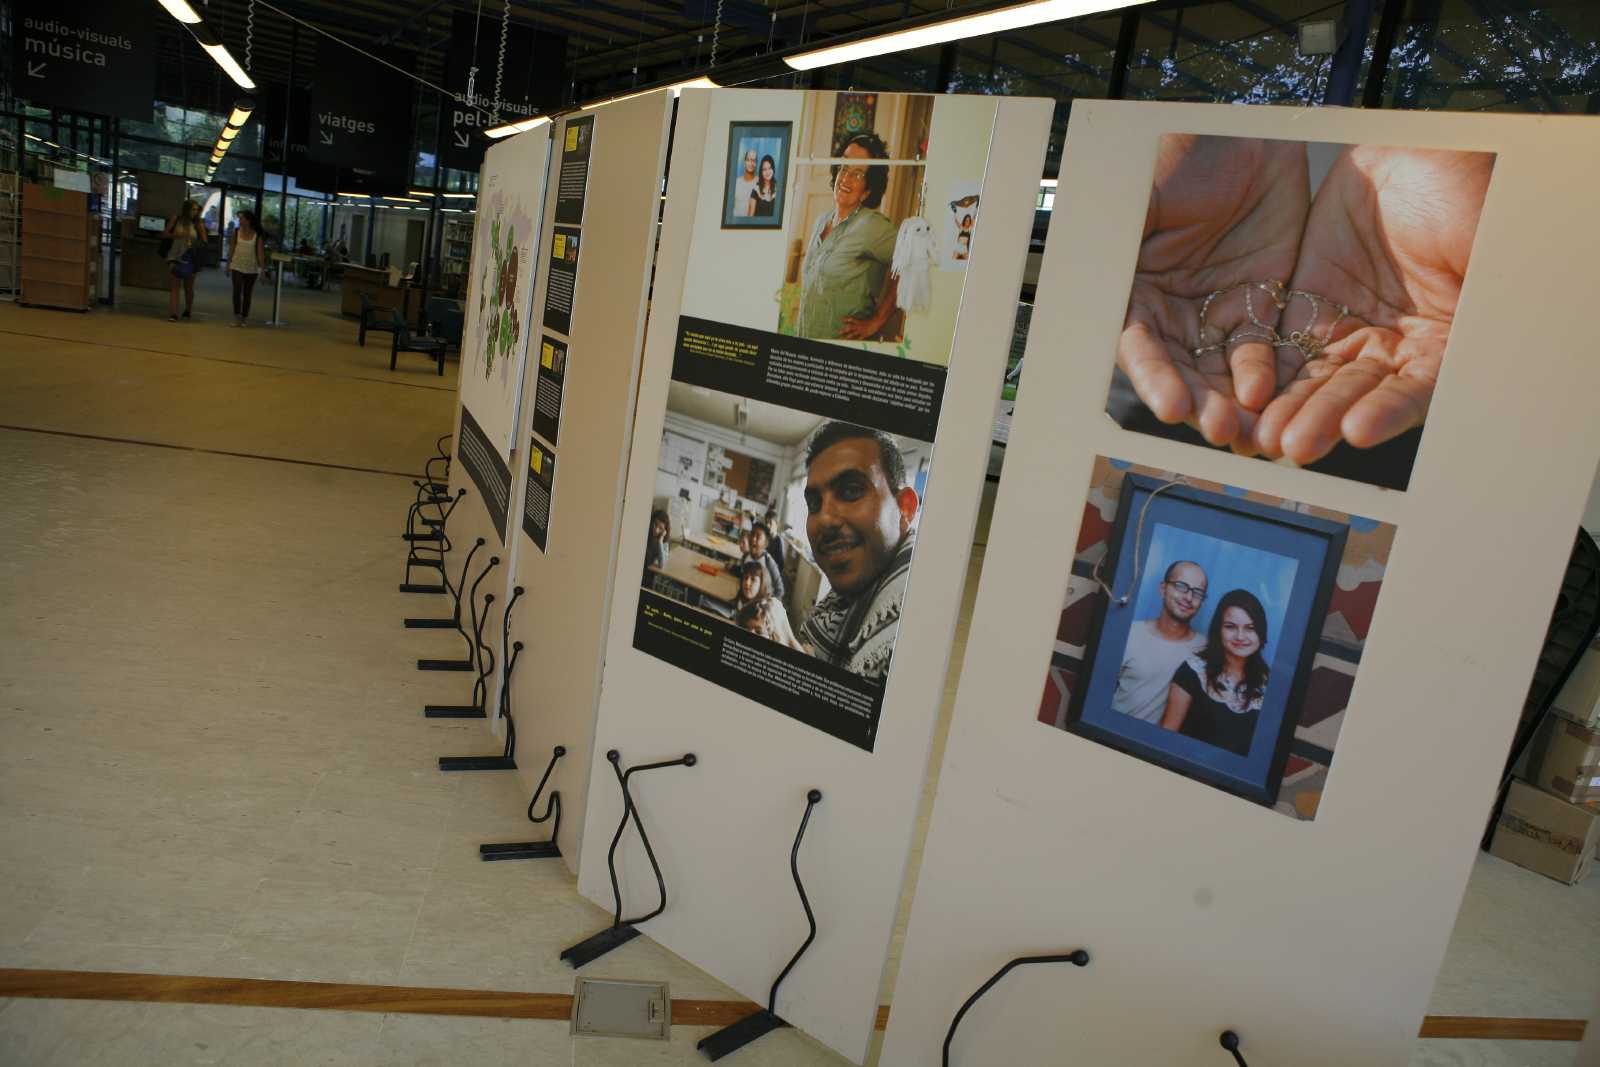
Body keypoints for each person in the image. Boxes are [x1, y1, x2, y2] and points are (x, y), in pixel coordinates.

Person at [799, 422, 918, 681]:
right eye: (814, 503)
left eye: (851, 490)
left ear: (905, 508)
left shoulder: (911, 642)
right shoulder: (845, 607)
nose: (824, 519)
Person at [796, 132, 900, 342]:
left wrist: (877, 321)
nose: (846, 178)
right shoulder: (821, 221)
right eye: (844, 167)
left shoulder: (872, 226)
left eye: (858, 173)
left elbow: (911, 260)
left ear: (868, 190)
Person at [1161, 589, 1271, 757]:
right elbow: (1164, 739)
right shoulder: (1192, 671)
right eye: (1230, 627)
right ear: (1218, 630)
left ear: (1261, 633)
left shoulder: (1270, 684)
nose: (1240, 636)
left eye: (1250, 628)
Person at [1109, 560, 1209, 723]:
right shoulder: (1129, 634)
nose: (1189, 597)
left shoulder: (1205, 648)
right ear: (1163, 589)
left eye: (1197, 592)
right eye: (1181, 586)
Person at [734, 560, 803, 651]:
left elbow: (790, 640)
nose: (747, 583)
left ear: (762, 583)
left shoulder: (770, 609)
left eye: (753, 579)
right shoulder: (744, 604)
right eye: (745, 578)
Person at [162, 199, 207, 321]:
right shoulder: (176, 219)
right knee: (175, 285)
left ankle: (188, 309)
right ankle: (173, 313)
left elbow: (204, 241)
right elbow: (164, 234)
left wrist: (193, 243)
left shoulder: (198, 223)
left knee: (188, 286)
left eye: (197, 209)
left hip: (190, 257)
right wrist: (176, 235)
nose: (195, 211)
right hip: (175, 256)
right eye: (193, 209)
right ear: (186, 209)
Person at [228, 210, 266, 327]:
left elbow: (260, 253)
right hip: (237, 265)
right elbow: (232, 248)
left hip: (251, 267)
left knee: (247, 293)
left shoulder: (257, 235)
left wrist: (262, 270)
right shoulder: (236, 232)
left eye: (241, 218)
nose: (239, 220)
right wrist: (228, 263)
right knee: (236, 291)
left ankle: (244, 317)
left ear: (248, 220)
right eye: (239, 218)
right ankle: (237, 316)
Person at [739, 521, 785, 603]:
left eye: (758, 537)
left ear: (766, 543)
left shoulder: (769, 562)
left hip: (761, 605)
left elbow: (780, 590)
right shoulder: (745, 557)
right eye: (752, 534)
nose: (753, 539)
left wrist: (766, 603)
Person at [643, 509, 670, 585]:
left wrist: (660, 541)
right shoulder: (644, 532)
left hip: (649, 578)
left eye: (660, 528)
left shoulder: (664, 541)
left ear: (665, 530)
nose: (656, 529)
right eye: (655, 524)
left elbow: (661, 564)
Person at [747, 154, 778, 218]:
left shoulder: (779, 188)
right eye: (764, 169)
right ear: (761, 172)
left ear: (773, 169)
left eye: (770, 168)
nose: (767, 172)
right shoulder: (756, 190)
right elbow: (749, 218)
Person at [732, 147, 759, 215]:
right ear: (744, 162)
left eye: (753, 160)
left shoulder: (759, 182)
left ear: (756, 164)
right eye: (748, 160)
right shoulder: (736, 182)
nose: (751, 163)